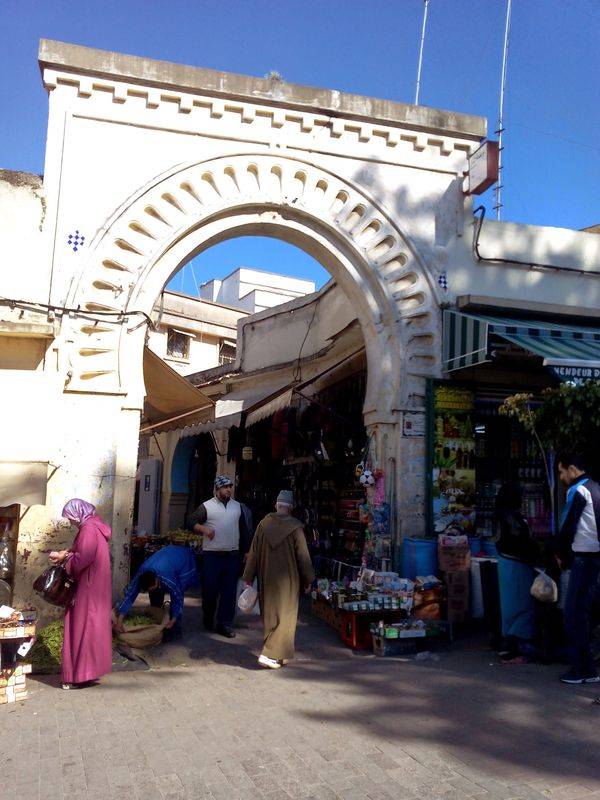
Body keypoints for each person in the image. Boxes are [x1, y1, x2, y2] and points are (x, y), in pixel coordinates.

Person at [242, 490, 315, 669]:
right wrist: (308, 579)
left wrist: (248, 578)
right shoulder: (296, 528)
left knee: (270, 615)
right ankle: (269, 654)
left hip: (266, 577)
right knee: (286, 617)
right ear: (290, 508)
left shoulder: (263, 525)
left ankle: (280, 654)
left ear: (276, 505)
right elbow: (303, 557)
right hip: (288, 580)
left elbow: (253, 553)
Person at [49, 499, 112, 690]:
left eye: (70, 518)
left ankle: (80, 676)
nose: (70, 522)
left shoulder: (88, 529)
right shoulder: (95, 527)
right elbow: (83, 553)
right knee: (91, 628)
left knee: (81, 628)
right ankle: (88, 672)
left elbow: (82, 559)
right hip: (95, 588)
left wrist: (65, 559)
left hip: (87, 588)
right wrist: (67, 554)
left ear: (78, 514)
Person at [554, 453, 600, 684]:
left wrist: (560, 555)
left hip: (584, 558)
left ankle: (581, 669)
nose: (561, 477)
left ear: (571, 469)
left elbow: (567, 526)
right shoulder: (596, 488)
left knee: (573, 614)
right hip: (594, 559)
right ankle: (588, 667)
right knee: (585, 613)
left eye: (562, 472)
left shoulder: (578, 490)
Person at [190, 475, 251, 638]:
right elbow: (191, 521)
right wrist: (204, 529)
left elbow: (244, 530)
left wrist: (246, 550)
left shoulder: (237, 507)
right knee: (210, 589)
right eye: (225, 487)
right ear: (217, 489)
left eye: (230, 486)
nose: (228, 489)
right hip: (212, 555)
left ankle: (225, 624)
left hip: (232, 555)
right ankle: (208, 616)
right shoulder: (206, 506)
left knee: (229, 591)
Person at [493, 483, 540, 662]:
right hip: (517, 564)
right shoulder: (511, 517)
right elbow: (520, 541)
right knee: (521, 604)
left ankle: (509, 642)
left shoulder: (503, 514)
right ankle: (517, 644)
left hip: (508, 563)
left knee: (511, 604)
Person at [114, 544, 199, 638]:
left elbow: (177, 597)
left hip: (184, 559)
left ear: (157, 580)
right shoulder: (140, 573)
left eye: (154, 587)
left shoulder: (168, 579)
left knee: (177, 592)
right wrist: (119, 621)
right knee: (155, 597)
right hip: (165, 559)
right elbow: (130, 595)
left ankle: (175, 630)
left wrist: (173, 620)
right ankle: (159, 620)